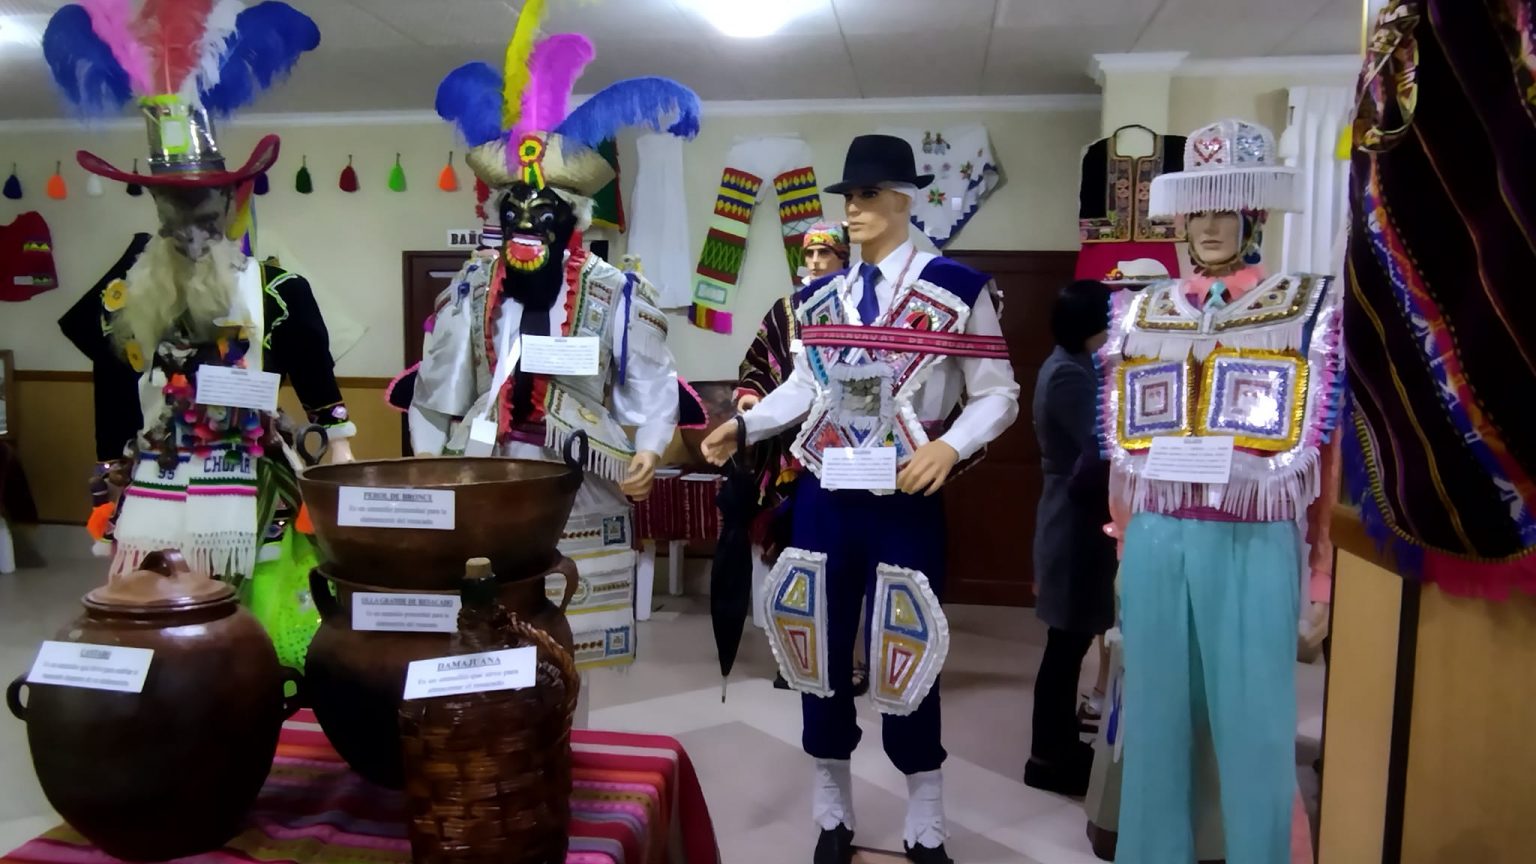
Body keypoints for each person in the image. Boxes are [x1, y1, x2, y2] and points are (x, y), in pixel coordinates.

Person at [702, 134, 1020, 864]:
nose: (852, 209)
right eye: (848, 196)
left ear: (904, 200)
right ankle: (832, 808)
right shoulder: (820, 296)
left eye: (868, 195)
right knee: (814, 644)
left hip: (905, 498)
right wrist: (746, 425)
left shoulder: (957, 289)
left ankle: (926, 814)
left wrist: (950, 446)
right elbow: (803, 387)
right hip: (826, 494)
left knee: (911, 644)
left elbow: (997, 394)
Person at [42, 1, 354, 585]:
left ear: (230, 207)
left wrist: (338, 448)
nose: (188, 234)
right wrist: (109, 466)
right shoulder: (130, 294)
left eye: (202, 217)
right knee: (157, 597)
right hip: (156, 472)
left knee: (254, 603)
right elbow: (114, 384)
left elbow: (316, 374)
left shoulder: (277, 291)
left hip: (252, 473)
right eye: (172, 218)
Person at [1098, 119, 1341, 864]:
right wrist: (1124, 541)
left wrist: (1322, 568)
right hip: (1157, 536)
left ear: (1252, 215)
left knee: (1255, 727)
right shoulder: (1141, 310)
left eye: (1224, 210)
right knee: (1155, 722)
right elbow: (1124, 454)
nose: (1207, 227)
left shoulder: (1307, 306)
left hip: (1254, 538)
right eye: (1196, 211)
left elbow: (1326, 451)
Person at [732, 222, 868, 694]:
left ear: (844, 258)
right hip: (788, 452)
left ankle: (849, 658)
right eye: (808, 255)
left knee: (847, 556)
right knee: (795, 554)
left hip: (848, 449)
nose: (814, 262)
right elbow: (756, 362)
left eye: (824, 254)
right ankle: (797, 658)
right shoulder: (784, 311)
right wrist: (750, 395)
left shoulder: (860, 308)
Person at [1024, 279, 1116, 797]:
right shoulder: (1067, 374)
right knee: (1065, 644)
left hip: (1076, 511)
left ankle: (1059, 745)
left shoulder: (1075, 363)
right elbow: (1099, 444)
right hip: (1072, 516)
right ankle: (1046, 757)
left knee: (1070, 641)